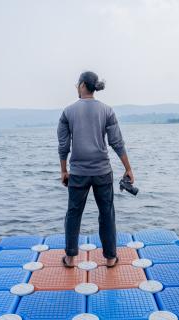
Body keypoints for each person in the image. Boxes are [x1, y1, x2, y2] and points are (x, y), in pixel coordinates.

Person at [57, 71, 134, 268]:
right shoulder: (107, 110)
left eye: (77, 84)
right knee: (106, 213)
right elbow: (117, 142)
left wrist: (64, 171)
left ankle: (71, 258)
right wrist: (128, 169)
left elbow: (63, 145)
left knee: (73, 213)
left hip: (79, 172)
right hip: (102, 172)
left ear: (82, 85)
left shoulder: (68, 111)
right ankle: (110, 258)